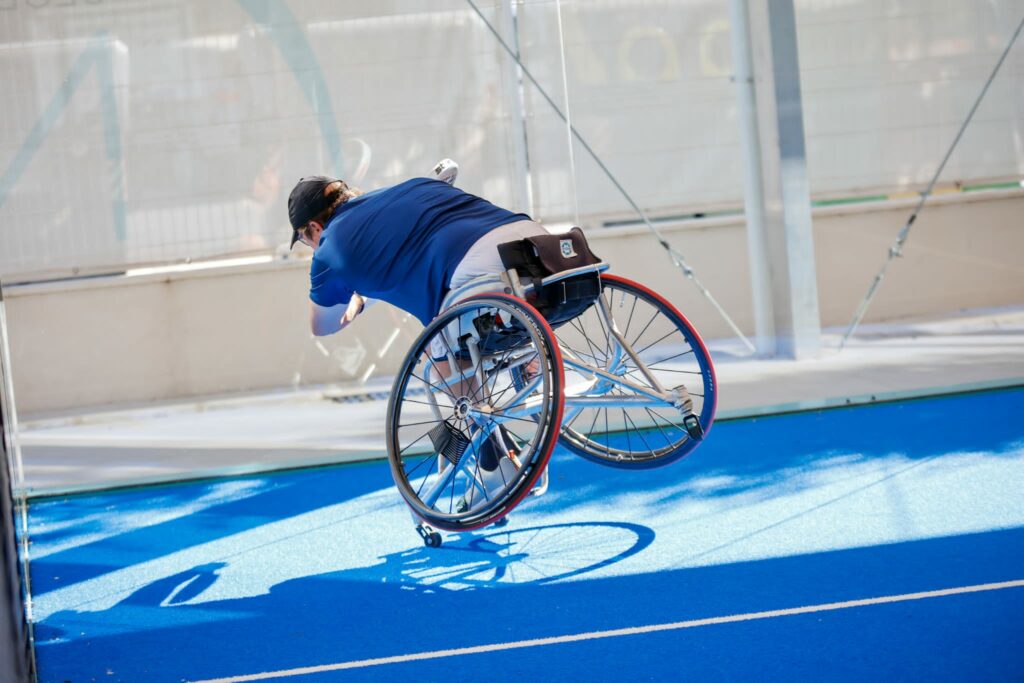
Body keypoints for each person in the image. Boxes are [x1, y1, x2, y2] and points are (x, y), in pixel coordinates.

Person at [287, 167, 549, 503]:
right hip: (537, 243)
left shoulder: (330, 246)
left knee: (440, 361)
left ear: (313, 227)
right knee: (456, 341)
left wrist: (358, 300)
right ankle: (506, 420)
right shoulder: (404, 190)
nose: (310, 248)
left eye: (305, 239)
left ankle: (491, 459)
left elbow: (321, 325)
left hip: (478, 271)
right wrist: (368, 293)